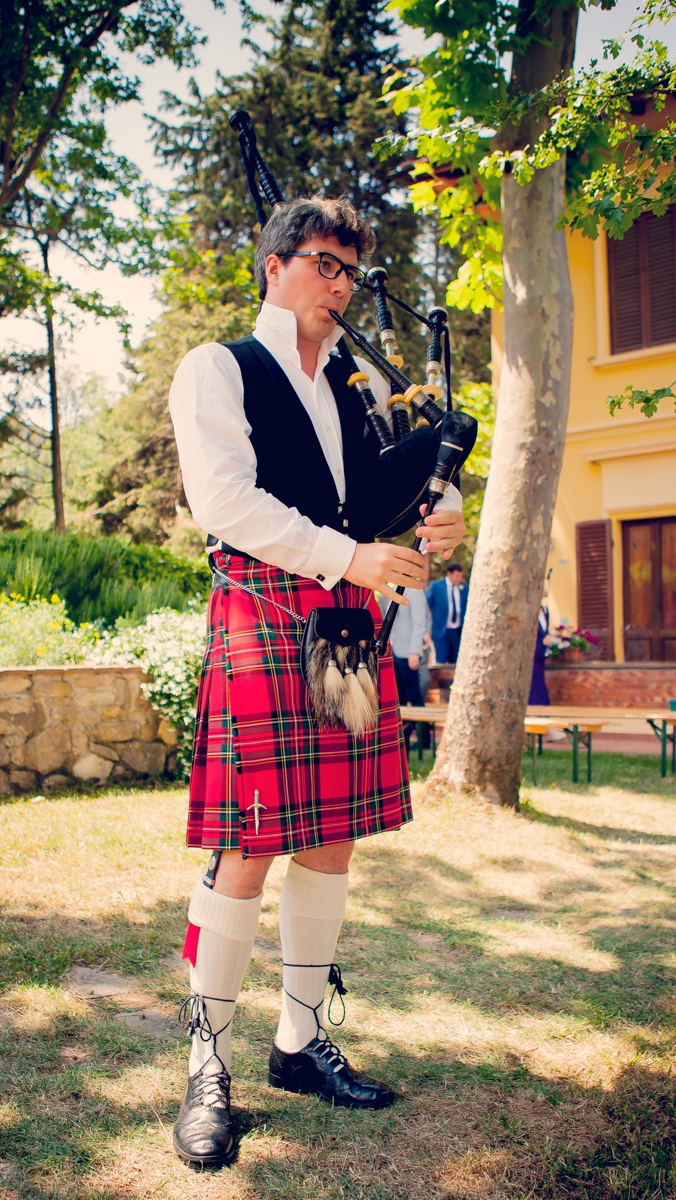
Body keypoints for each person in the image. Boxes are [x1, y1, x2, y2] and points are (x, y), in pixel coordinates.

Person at [168, 197, 465, 1170]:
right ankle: (206, 1063)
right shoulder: (219, 368)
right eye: (323, 263)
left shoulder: (343, 390)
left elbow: (391, 482)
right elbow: (224, 501)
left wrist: (445, 503)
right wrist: (349, 555)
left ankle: (297, 1042)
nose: (338, 285)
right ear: (274, 266)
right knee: (248, 841)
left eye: (349, 271)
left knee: (331, 837)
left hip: (339, 620)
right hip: (264, 606)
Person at [380, 586, 428, 750]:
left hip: (409, 654)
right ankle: (403, 739)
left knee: (415, 698)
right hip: (394, 651)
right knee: (399, 698)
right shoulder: (393, 589)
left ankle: (424, 741)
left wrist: (414, 652)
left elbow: (419, 624)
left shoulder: (415, 592)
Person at [426, 562, 467, 664]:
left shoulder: (465, 588)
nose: (459, 579)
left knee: (457, 659)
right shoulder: (436, 586)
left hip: (457, 630)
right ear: (449, 574)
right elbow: (426, 605)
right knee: (441, 659)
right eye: (457, 576)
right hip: (440, 629)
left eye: (460, 576)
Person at [528, 587, 552, 706]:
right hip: (533, 650)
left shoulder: (545, 610)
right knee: (534, 677)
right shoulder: (530, 611)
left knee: (540, 677)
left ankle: (543, 702)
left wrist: (548, 638)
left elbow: (544, 629)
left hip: (542, 650)